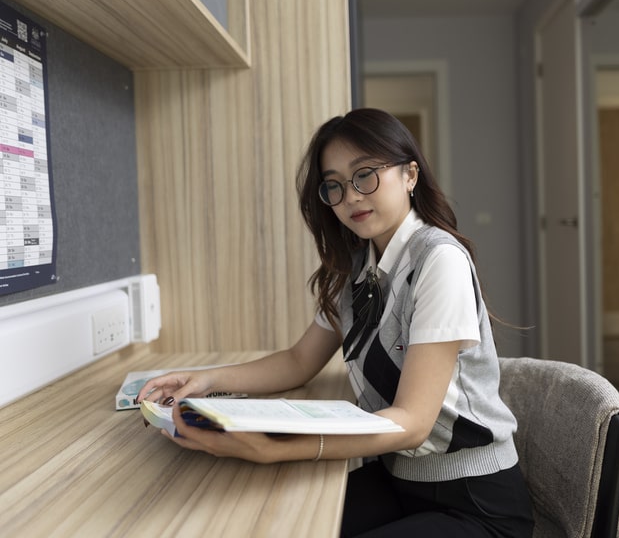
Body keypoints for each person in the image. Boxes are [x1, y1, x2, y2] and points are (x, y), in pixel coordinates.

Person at [136, 108, 534, 537]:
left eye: (365, 174)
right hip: (399, 479)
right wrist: (204, 380)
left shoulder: (439, 260)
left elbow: (414, 422)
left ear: (410, 175)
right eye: (335, 186)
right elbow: (298, 360)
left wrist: (277, 450)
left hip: (475, 502)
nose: (352, 197)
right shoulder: (357, 271)